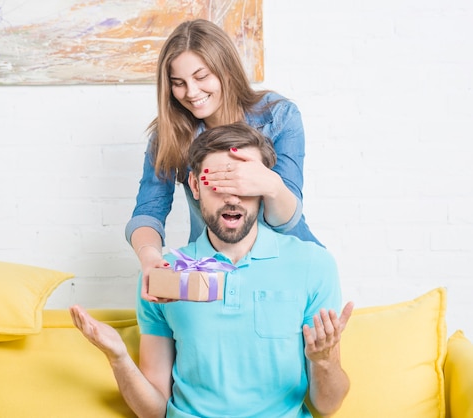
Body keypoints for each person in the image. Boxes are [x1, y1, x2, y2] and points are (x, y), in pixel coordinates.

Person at [71, 122, 353, 418]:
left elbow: (328, 405)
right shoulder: (164, 275)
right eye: (218, 183)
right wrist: (118, 358)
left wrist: (324, 361)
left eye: (244, 184)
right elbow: (154, 411)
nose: (232, 198)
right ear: (195, 185)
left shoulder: (312, 265)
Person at [125, 19, 322, 302]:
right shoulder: (170, 134)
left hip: (289, 267)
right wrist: (150, 257)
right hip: (216, 274)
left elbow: (286, 220)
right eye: (178, 83)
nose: (191, 92)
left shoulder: (279, 117)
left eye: (201, 76)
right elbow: (148, 212)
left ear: (225, 69)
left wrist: (269, 185)